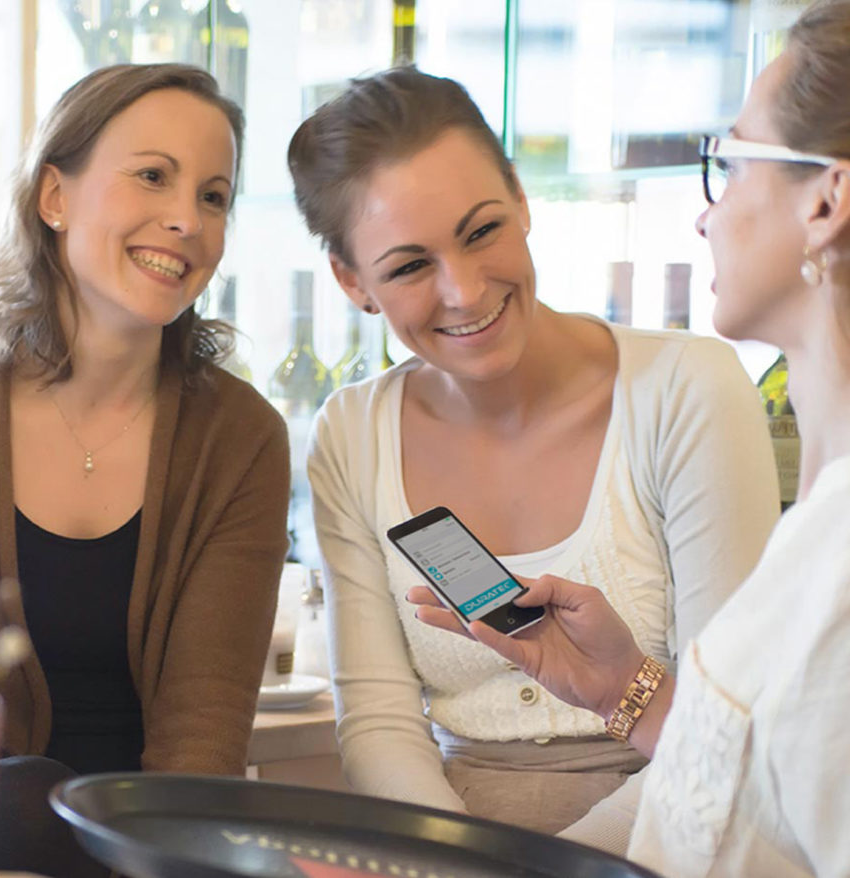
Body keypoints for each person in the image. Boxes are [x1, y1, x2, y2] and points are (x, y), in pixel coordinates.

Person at [410, 2, 850, 874]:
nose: (705, 217)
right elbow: (761, 800)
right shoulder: (821, 519)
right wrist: (621, 687)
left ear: (827, 201)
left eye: (728, 163)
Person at [286, 66, 781, 834]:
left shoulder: (687, 389)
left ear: (520, 199)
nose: (464, 290)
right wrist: (457, 863)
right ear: (353, 282)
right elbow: (380, 720)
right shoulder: (351, 431)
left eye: (481, 231)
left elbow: (732, 720)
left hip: (674, 836)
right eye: (410, 266)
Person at [0, 64, 290, 876]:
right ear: (54, 197)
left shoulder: (242, 438)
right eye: (153, 176)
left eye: (213, 196)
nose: (187, 219)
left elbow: (203, 734)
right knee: (23, 794)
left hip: (152, 844)